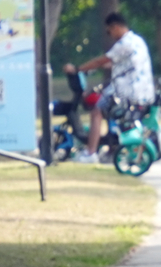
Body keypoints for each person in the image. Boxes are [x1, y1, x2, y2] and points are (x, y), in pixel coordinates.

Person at [63, 12, 155, 163]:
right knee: (108, 112)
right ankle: (112, 147)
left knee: (97, 112)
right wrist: (92, 68)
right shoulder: (137, 40)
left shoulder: (123, 44)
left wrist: (77, 69)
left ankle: (90, 153)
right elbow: (114, 63)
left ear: (116, 27)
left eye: (109, 31)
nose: (109, 34)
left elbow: (101, 60)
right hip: (142, 91)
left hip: (127, 92)